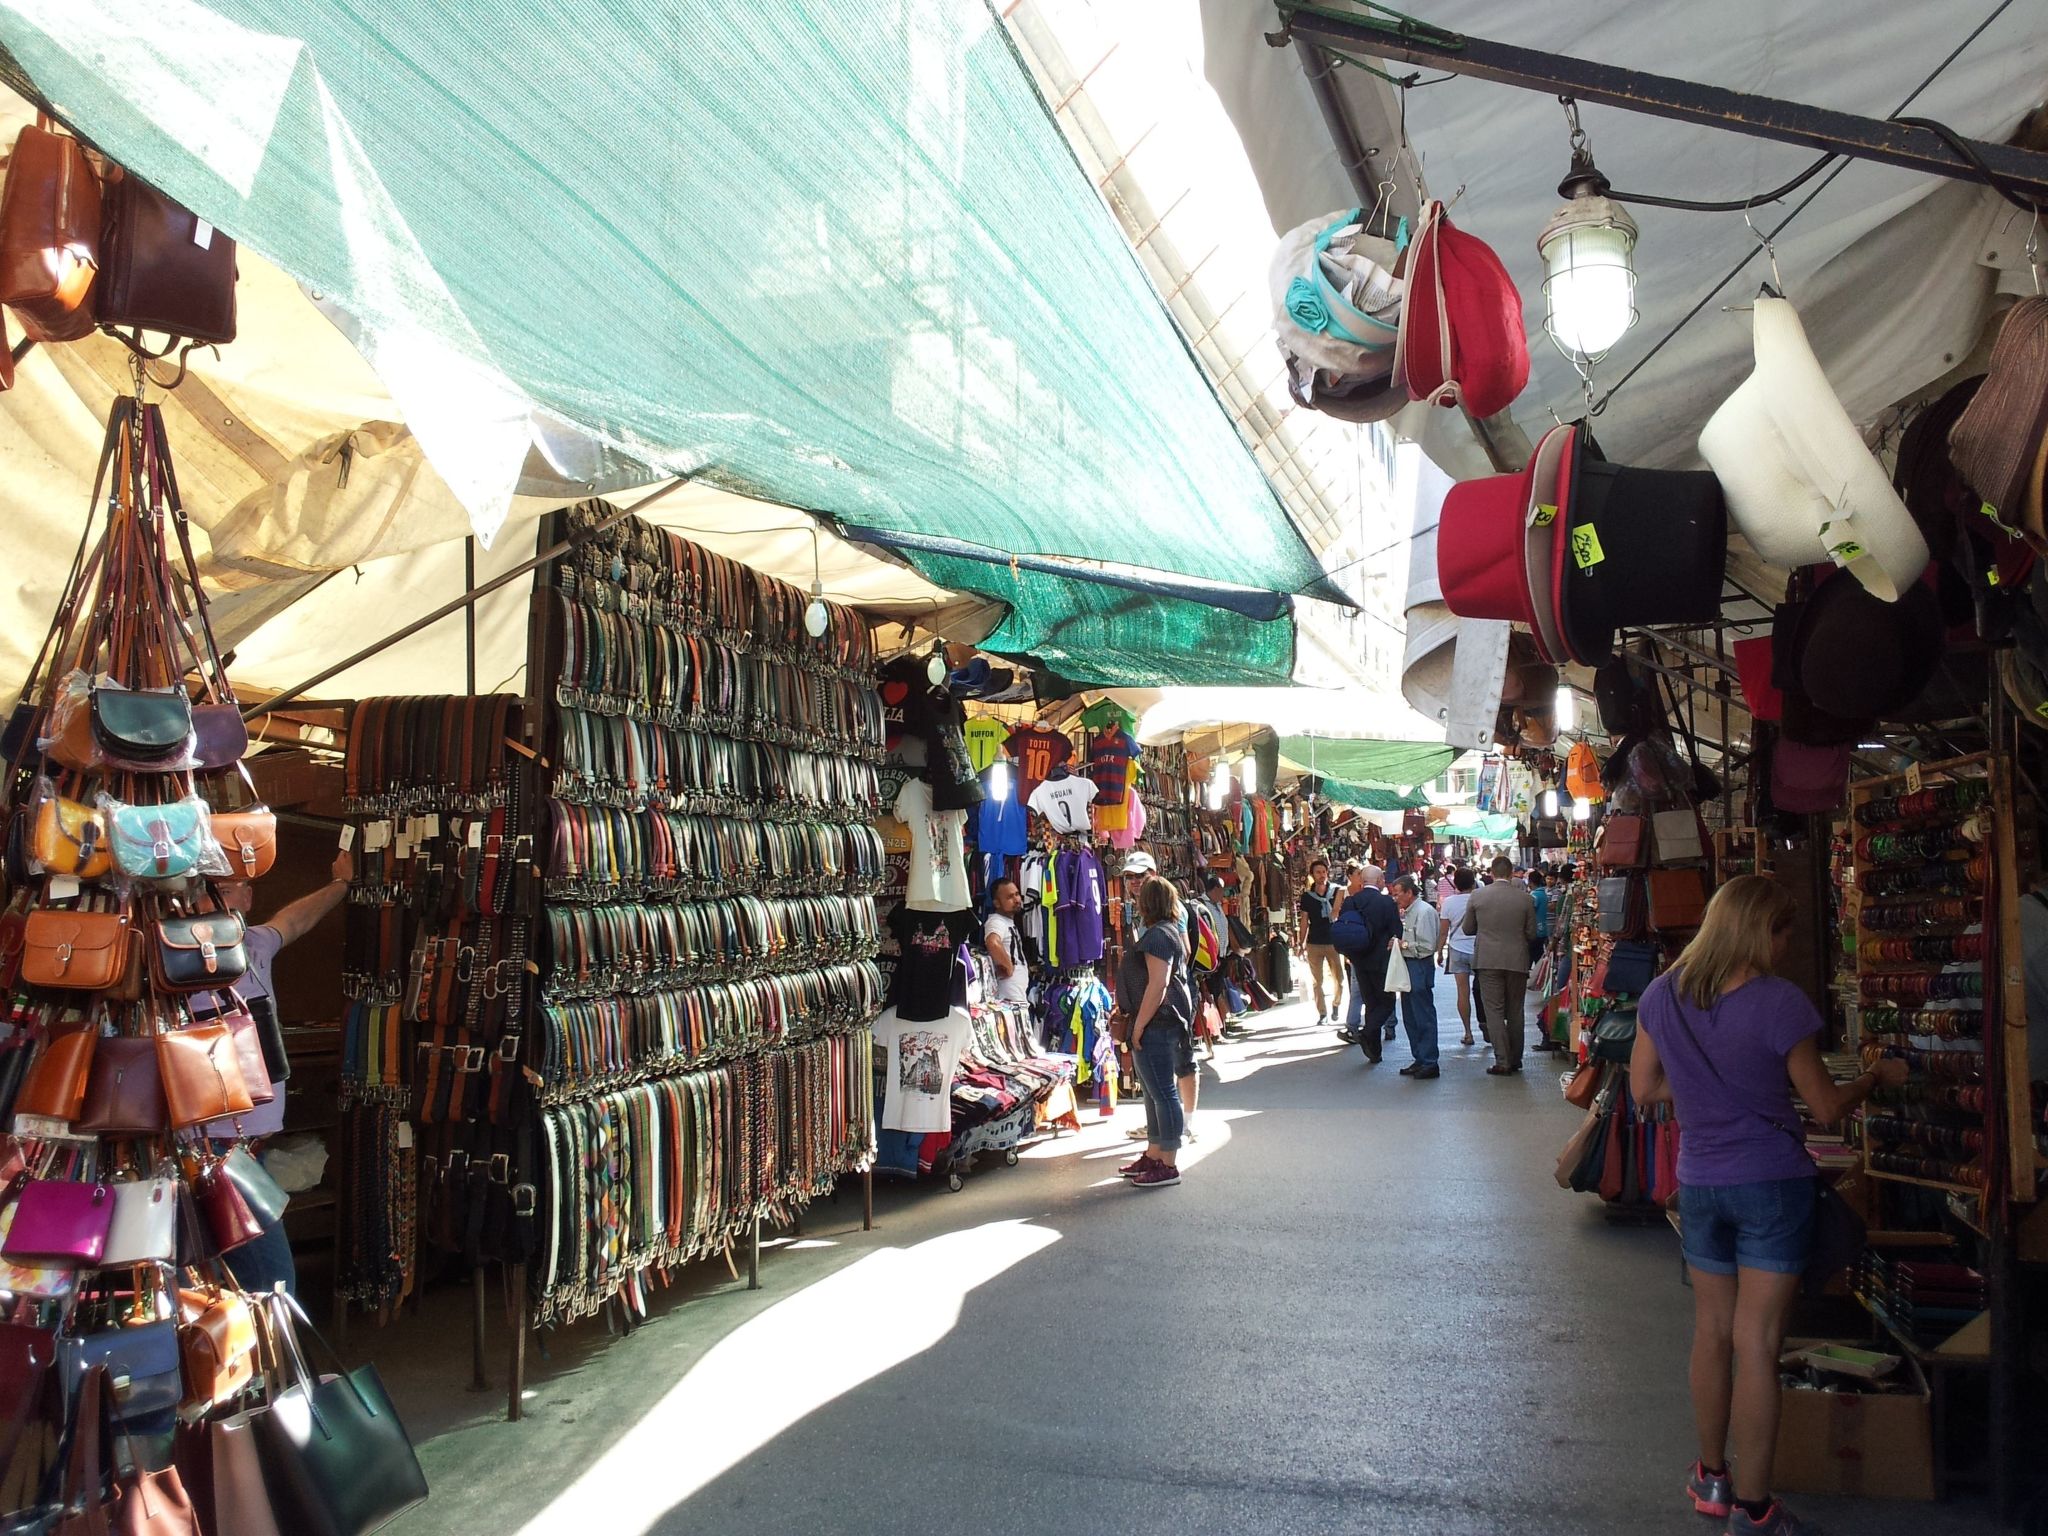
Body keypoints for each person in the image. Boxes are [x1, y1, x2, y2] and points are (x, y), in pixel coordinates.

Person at [1629, 876, 1908, 1536]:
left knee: (1713, 1333)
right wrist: (1876, 1076)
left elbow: (1644, 1088)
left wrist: (1703, 1098)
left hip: (1700, 1182)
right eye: (1785, 932)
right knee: (1758, 1343)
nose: (1788, 945)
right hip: (1772, 1186)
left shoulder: (1662, 993)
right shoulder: (1779, 1004)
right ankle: (1756, 1510)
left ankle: (1712, 1478)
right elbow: (1830, 1106)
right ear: (1763, 931)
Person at [216, 847, 355, 1297]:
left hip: (242, 1150)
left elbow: (295, 920)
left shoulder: (254, 945)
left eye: (227, 889)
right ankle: (265, 1364)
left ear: (247, 897)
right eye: (208, 891)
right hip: (213, 1151)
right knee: (272, 1283)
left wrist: (340, 885)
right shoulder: (182, 958)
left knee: (250, 1281)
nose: (218, 900)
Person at [1122, 874, 1197, 1190]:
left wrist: (1138, 1024)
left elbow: (1158, 983)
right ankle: (1155, 1154)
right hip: (1165, 1019)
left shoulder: (1157, 937)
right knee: (1155, 1093)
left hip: (1158, 1020)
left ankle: (1168, 1162)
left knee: (1163, 1092)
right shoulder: (1166, 933)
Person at [1462, 855, 1536, 1074]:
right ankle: (1516, 1058)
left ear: (1492, 873)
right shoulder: (1525, 899)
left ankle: (1502, 1060)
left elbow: (1467, 928)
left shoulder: (1477, 896)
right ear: (1512, 871)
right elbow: (1532, 933)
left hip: (1487, 959)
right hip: (1517, 959)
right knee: (1515, 1010)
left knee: (1493, 1010)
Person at [1334, 861, 1401, 1062]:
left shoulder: (1351, 901)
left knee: (1371, 1002)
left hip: (1358, 960)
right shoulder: (1387, 903)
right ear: (1380, 880)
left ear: (1362, 882)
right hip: (1381, 960)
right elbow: (1396, 931)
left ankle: (1374, 1052)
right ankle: (1369, 1032)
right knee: (1387, 1002)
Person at [1388, 876, 1440, 1080]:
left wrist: (1403, 945)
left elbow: (1427, 946)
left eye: (1398, 893)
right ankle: (1420, 1057)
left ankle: (1429, 1061)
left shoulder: (1424, 912)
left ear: (1409, 892)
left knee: (1423, 1014)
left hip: (1419, 966)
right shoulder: (1410, 912)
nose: (1395, 897)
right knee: (1410, 1014)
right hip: (1410, 966)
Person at [1298, 857, 1343, 1026]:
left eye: (1324, 872)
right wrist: (1301, 944)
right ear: (1312, 875)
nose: (1322, 875)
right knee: (1317, 981)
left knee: (1339, 978)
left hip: (1333, 941)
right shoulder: (1307, 897)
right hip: (1314, 942)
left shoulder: (1337, 892)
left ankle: (1336, 1004)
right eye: (1318, 872)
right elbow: (1304, 921)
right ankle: (1322, 1013)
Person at [1438, 867, 1479, 1047]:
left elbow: (1443, 931)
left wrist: (1439, 951)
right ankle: (1488, 1028)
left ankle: (1468, 1032)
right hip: (1479, 949)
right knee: (1485, 991)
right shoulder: (1479, 899)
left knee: (1463, 992)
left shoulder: (1448, 902)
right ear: (1473, 882)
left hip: (1457, 949)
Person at [983, 877, 1029, 1005]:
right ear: (997, 903)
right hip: (1009, 995)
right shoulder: (996, 921)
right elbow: (993, 942)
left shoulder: (1007, 921)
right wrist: (1008, 967)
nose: (1017, 900)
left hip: (1015, 992)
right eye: (1010, 897)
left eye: (1017, 894)